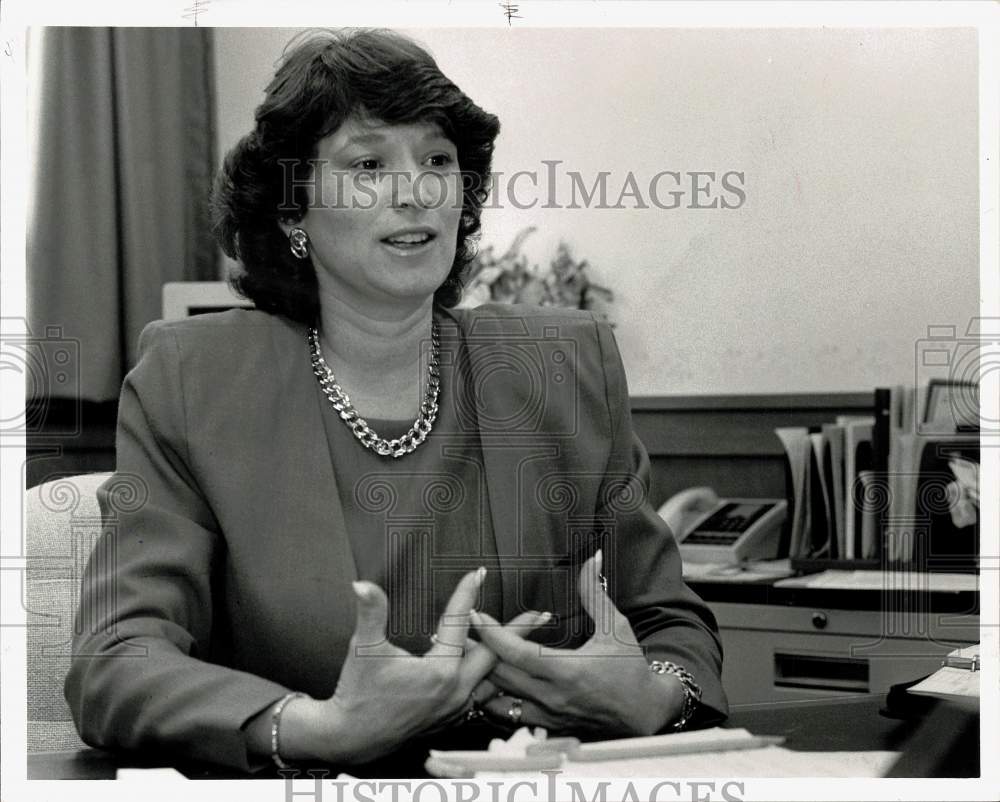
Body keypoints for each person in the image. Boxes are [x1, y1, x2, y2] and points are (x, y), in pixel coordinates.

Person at [64, 28, 728, 774]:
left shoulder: (565, 366)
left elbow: (668, 620)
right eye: (369, 164)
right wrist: (315, 727)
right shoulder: (193, 381)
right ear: (293, 213)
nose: (417, 189)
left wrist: (659, 696)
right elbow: (117, 659)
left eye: (438, 161)